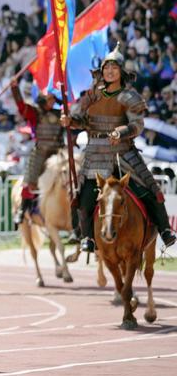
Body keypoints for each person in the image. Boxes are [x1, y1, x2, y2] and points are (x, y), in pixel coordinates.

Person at [64, 49, 176, 253]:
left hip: (123, 153)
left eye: (114, 67)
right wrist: (70, 121)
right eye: (106, 67)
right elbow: (82, 121)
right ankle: (87, 236)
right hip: (95, 154)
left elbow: (137, 125)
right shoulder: (92, 95)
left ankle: (165, 230)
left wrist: (121, 132)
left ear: (121, 72)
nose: (109, 71)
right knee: (85, 197)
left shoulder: (129, 97)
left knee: (149, 191)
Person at [10, 79, 64, 225]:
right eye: (49, 99)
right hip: (40, 152)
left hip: (58, 152)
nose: (51, 102)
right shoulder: (35, 113)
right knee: (30, 180)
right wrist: (15, 89)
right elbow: (21, 107)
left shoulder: (60, 114)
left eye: (53, 99)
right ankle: (23, 209)